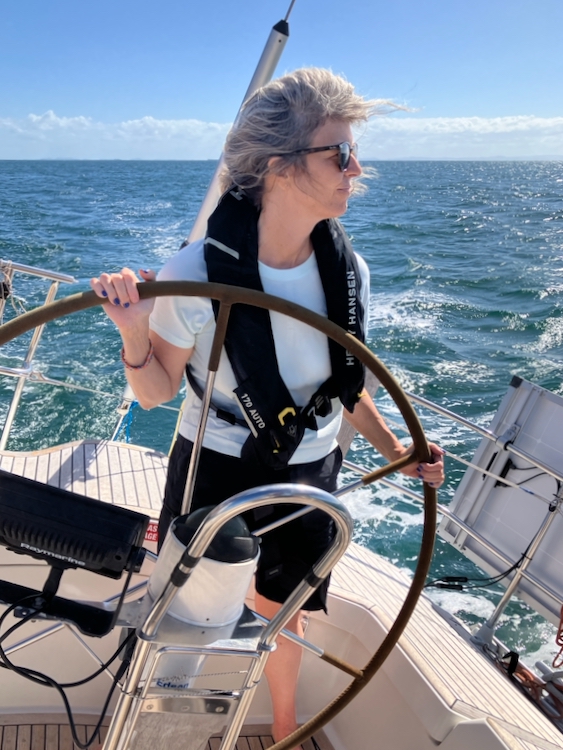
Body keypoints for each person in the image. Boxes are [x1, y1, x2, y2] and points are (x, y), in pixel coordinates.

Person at [91, 67, 445, 748]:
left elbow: (347, 386)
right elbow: (156, 391)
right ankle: (156, 736)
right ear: (279, 167)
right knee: (186, 622)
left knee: (284, 617)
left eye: (353, 153)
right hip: (215, 467)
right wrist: (135, 331)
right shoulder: (196, 270)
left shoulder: (348, 272)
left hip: (311, 470)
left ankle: (283, 731)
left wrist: (395, 455)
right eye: (338, 153)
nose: (355, 169)